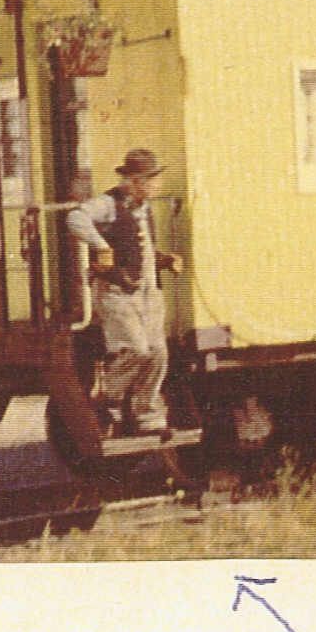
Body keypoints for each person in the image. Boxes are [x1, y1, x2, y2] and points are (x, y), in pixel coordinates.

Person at [65, 148, 182, 436]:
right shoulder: (109, 204)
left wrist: (164, 259)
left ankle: (146, 415)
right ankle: (109, 398)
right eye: (153, 179)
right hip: (118, 292)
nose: (158, 185)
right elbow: (76, 218)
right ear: (136, 181)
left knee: (158, 354)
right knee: (136, 350)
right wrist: (100, 246)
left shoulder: (144, 208)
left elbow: (137, 248)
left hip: (148, 293)